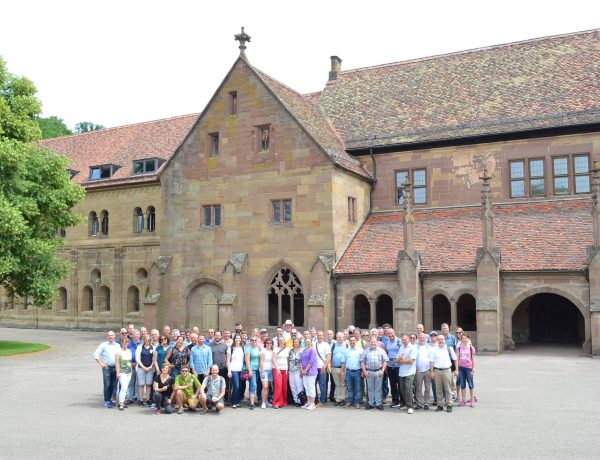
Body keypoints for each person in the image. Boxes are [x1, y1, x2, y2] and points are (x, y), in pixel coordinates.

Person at [93, 330, 121, 408]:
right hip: (107, 367)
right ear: (107, 337)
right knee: (107, 385)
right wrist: (101, 363)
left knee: (113, 385)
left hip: (115, 367)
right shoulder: (103, 345)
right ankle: (107, 400)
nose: (110, 337)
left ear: (115, 336)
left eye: (112, 335)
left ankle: (111, 399)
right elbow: (95, 354)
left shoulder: (118, 345)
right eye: (109, 335)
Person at [431, 334, 458, 413]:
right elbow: (432, 361)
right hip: (437, 371)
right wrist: (432, 371)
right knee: (438, 389)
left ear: (444, 340)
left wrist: (456, 370)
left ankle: (449, 404)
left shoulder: (449, 348)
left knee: (448, 389)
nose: (440, 341)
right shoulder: (434, 349)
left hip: (447, 370)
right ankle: (440, 405)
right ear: (437, 341)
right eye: (439, 340)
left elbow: (455, 359)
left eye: (442, 339)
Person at [361, 334, 388, 411]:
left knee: (378, 389)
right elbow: (362, 362)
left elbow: (385, 361)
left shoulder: (381, 350)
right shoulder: (366, 351)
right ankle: (371, 403)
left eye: (374, 342)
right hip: (369, 372)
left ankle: (379, 403)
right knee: (370, 389)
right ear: (369, 343)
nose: (373, 343)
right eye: (371, 342)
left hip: (378, 372)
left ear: (377, 342)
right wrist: (365, 371)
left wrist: (382, 370)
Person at [396, 333, 417, 414]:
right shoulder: (401, 348)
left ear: (408, 339)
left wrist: (401, 361)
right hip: (402, 372)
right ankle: (406, 404)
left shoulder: (412, 348)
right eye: (402, 340)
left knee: (408, 389)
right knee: (402, 389)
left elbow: (411, 361)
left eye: (405, 339)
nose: (404, 341)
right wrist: (399, 360)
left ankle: (410, 406)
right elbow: (397, 360)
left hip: (410, 372)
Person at [342, 336, 363, 408]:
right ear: (349, 341)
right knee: (350, 388)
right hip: (348, 371)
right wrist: (343, 372)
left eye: (353, 340)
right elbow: (344, 362)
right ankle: (350, 401)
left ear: (356, 341)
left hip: (358, 371)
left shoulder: (360, 350)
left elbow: (362, 362)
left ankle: (357, 402)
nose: (352, 342)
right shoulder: (346, 351)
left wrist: (363, 371)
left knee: (358, 388)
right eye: (350, 340)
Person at [456, 332, 477, 407]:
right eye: (463, 339)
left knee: (471, 385)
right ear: (461, 340)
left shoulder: (471, 348)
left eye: (465, 338)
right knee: (462, 385)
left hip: (469, 368)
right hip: (461, 368)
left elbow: (473, 359)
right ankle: (463, 400)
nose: (464, 340)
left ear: (468, 339)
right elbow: (458, 359)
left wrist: (473, 369)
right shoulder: (459, 348)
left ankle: (472, 400)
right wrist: (457, 370)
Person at [415, 332, 434, 410]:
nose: (422, 339)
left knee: (427, 388)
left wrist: (431, 369)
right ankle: (419, 403)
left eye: (423, 338)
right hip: (418, 370)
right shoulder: (416, 347)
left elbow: (432, 359)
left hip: (427, 370)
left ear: (426, 339)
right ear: (418, 338)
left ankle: (426, 403)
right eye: (421, 338)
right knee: (418, 388)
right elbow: (414, 358)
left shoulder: (429, 348)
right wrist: (415, 367)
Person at [135, 333, 155, 406]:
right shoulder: (140, 347)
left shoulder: (153, 347)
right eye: (146, 339)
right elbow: (137, 358)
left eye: (148, 339)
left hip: (150, 368)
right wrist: (143, 367)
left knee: (148, 384)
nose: (147, 340)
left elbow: (154, 358)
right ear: (143, 340)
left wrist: (150, 366)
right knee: (141, 384)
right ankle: (140, 400)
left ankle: (147, 399)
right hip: (141, 368)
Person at [210, 331, 229, 402]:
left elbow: (228, 356)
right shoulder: (210, 345)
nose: (217, 337)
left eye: (219, 335)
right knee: (213, 384)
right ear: (214, 336)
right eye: (216, 335)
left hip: (223, 368)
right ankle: (212, 398)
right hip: (214, 369)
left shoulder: (224, 345)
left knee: (223, 383)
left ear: (221, 336)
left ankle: (224, 398)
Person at [227, 334, 245, 408]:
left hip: (241, 370)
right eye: (236, 338)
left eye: (239, 338)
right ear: (234, 339)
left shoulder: (242, 348)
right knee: (236, 386)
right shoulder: (230, 348)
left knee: (240, 386)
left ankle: (237, 401)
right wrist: (229, 371)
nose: (238, 339)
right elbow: (228, 360)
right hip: (233, 369)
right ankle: (233, 402)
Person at [384, 328, 401, 408]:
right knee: (392, 384)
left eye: (392, 333)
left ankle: (402, 401)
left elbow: (403, 352)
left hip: (398, 365)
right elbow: (387, 353)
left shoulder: (399, 341)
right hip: (390, 365)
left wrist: (399, 360)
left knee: (400, 384)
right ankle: (395, 400)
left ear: (395, 333)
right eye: (389, 334)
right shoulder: (387, 342)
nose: (390, 335)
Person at [115, 337, 133, 410]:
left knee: (125, 388)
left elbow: (130, 362)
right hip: (122, 372)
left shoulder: (129, 351)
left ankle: (121, 402)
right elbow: (117, 363)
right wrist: (118, 372)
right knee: (124, 387)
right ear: (121, 343)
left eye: (127, 342)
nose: (125, 343)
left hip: (129, 372)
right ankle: (121, 403)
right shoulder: (118, 352)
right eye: (124, 342)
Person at [314, 330, 332, 407]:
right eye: (318, 335)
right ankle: (315, 400)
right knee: (313, 384)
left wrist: (324, 366)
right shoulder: (314, 344)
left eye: (321, 335)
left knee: (322, 385)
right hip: (314, 368)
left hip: (322, 367)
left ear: (323, 336)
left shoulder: (326, 345)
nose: (319, 337)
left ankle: (323, 401)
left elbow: (328, 356)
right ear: (316, 336)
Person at [330, 332, 348, 405]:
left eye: (340, 337)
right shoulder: (334, 345)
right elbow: (331, 356)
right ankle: (337, 399)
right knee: (337, 384)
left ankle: (342, 399)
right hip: (334, 367)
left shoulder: (346, 345)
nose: (339, 339)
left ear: (343, 338)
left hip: (343, 368)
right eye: (338, 337)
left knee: (343, 384)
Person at [300, 337, 318, 410]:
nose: (307, 343)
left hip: (311, 371)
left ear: (311, 342)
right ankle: (308, 402)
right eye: (306, 341)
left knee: (311, 387)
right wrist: (302, 370)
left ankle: (312, 403)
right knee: (306, 387)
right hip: (304, 372)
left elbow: (311, 361)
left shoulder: (313, 350)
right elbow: (301, 361)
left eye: (309, 341)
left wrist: (306, 369)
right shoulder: (304, 350)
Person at [259, 338, 277, 408]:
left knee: (268, 387)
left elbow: (273, 360)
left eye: (270, 343)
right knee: (265, 386)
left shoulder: (272, 351)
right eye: (267, 343)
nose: (269, 344)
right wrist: (263, 372)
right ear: (265, 344)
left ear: (272, 344)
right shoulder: (263, 351)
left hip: (270, 370)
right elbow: (261, 362)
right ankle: (263, 402)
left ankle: (266, 401)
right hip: (264, 370)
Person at [273, 335, 290, 408]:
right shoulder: (275, 349)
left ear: (284, 341)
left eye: (282, 340)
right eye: (280, 340)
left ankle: (283, 401)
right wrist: (277, 369)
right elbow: (273, 359)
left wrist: (288, 369)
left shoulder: (287, 349)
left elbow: (288, 360)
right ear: (278, 341)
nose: (281, 341)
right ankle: (277, 403)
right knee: (278, 386)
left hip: (285, 369)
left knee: (284, 387)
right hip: (278, 370)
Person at [245, 335, 261, 410]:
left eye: (255, 340)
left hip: (259, 369)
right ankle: (251, 403)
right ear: (250, 341)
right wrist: (250, 370)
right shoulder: (248, 349)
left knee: (258, 386)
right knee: (253, 385)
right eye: (252, 340)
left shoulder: (258, 348)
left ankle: (257, 400)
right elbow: (247, 360)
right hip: (252, 370)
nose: (254, 341)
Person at [288, 338, 304, 407]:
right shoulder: (290, 351)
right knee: (292, 386)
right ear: (293, 343)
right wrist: (288, 369)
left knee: (299, 386)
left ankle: (301, 400)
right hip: (291, 371)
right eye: (295, 342)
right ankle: (295, 400)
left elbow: (304, 361)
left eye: (297, 342)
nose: (296, 343)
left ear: (299, 343)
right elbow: (288, 360)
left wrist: (302, 370)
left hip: (298, 371)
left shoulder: (302, 351)